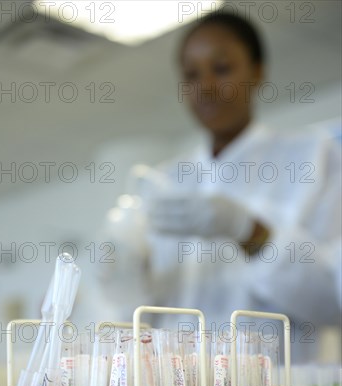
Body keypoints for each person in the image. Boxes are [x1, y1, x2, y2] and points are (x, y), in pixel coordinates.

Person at [98, 12, 341, 362]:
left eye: (222, 68)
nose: (206, 87)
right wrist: (120, 272)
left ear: (258, 72)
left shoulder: (314, 159)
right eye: (191, 75)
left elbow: (332, 302)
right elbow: (137, 316)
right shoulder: (166, 181)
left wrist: (252, 232)